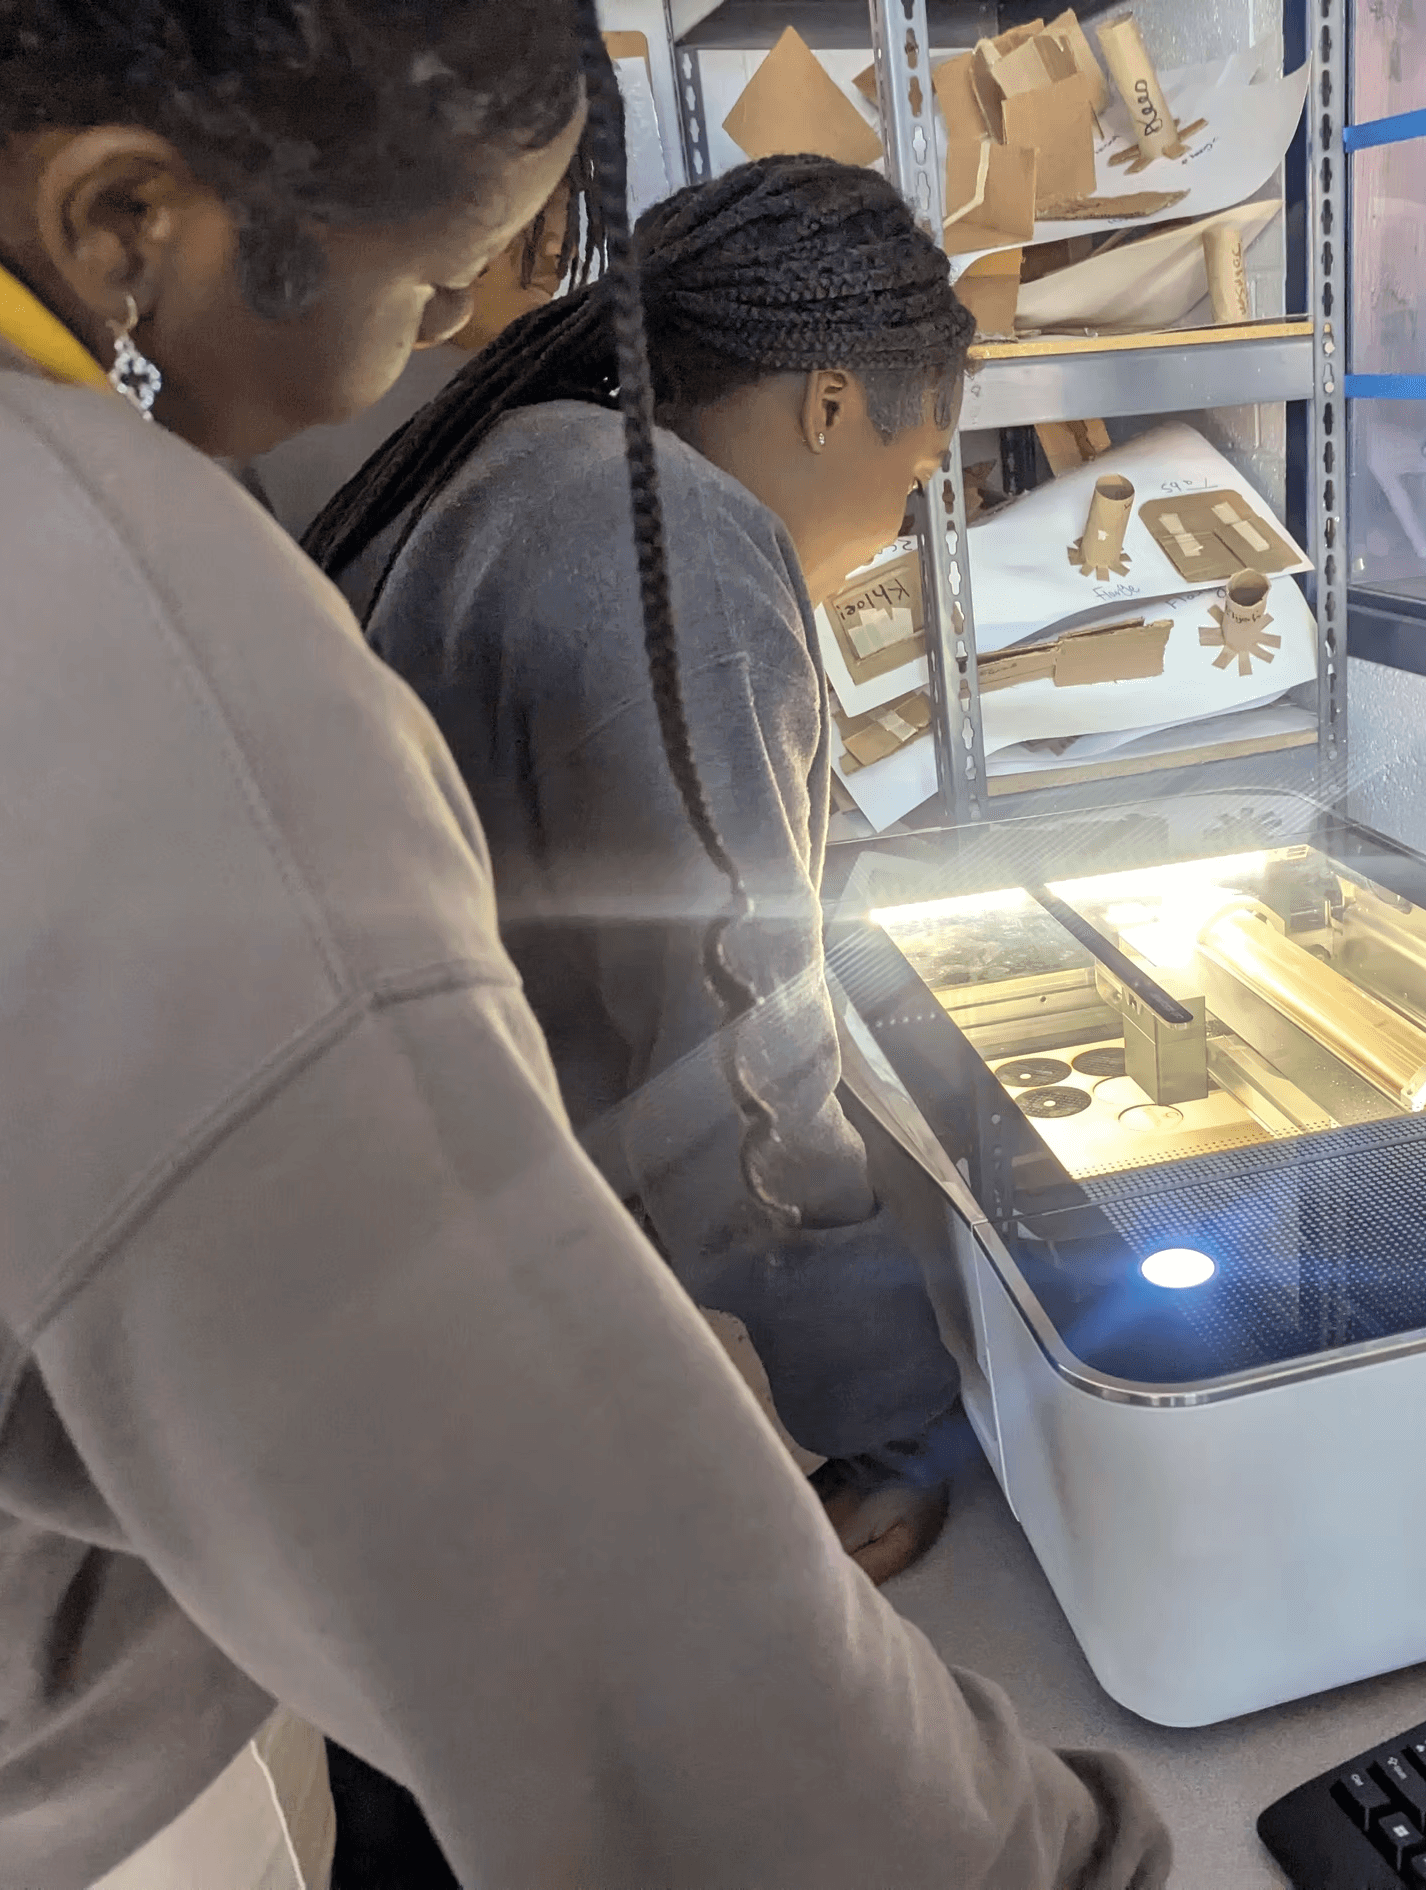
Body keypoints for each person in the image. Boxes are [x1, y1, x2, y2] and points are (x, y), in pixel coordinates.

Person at [0, 8, 1170, 1890]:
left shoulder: (483, 464)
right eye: (439, 279)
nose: (444, 332)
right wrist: (902, 1427)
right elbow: (710, 1051)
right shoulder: (607, 551)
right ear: (126, 217)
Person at [305, 156, 978, 1581]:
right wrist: (899, 1417)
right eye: (914, 482)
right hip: (443, 1318)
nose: (890, 542)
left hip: (366, 1253)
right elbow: (735, 1050)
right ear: (831, 405)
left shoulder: (535, 467)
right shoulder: (680, 552)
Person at [248, 149, 611, 539]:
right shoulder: (276, 415)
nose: (560, 247)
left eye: (570, 206)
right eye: (532, 206)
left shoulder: (569, 419)